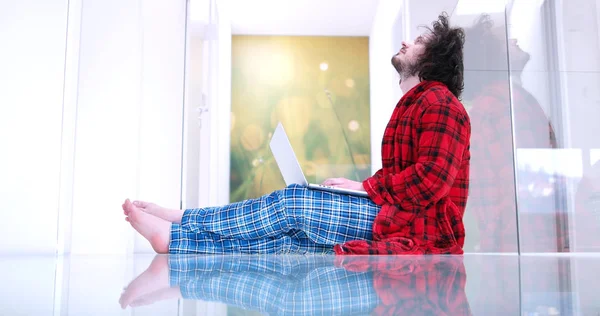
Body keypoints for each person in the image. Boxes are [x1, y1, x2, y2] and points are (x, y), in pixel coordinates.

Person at [122, 13, 471, 255]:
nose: (407, 42)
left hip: (417, 227)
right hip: (402, 217)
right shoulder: (416, 105)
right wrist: (365, 187)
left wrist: (367, 187)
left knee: (295, 202)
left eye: (420, 41)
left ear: (432, 60)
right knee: (291, 240)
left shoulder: (440, 103)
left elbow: (431, 181)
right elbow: (409, 179)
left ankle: (183, 219)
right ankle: (176, 241)